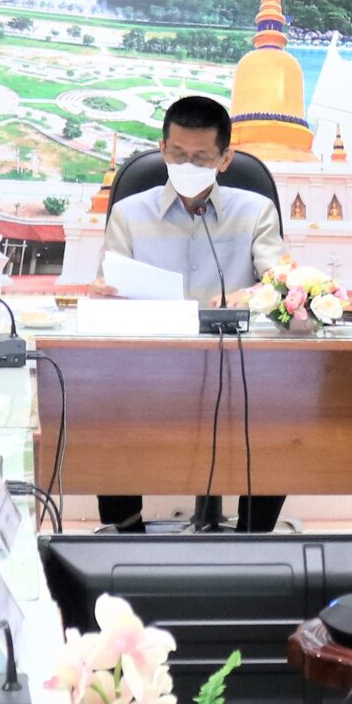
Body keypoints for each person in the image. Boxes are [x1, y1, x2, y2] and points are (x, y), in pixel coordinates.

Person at [97, 95, 288, 534]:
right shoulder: (128, 214)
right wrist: (104, 295)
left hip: (236, 368)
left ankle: (255, 539)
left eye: (201, 158)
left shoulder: (255, 211)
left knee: (282, 414)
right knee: (100, 411)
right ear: (162, 149)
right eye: (178, 154)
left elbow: (280, 282)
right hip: (150, 369)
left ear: (225, 159)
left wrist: (252, 295)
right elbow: (110, 291)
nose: (187, 166)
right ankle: (124, 540)